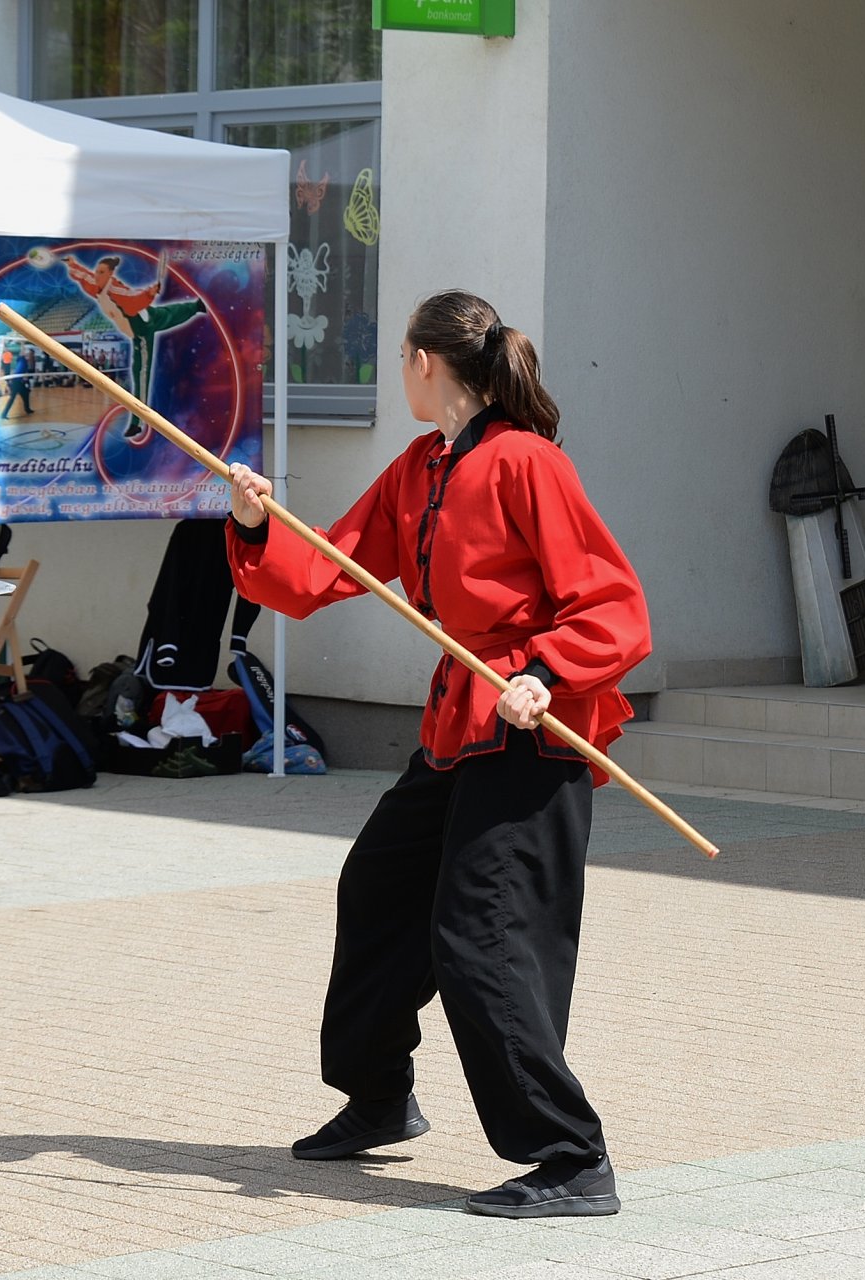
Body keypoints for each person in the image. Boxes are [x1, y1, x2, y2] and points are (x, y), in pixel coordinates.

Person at [225, 290, 651, 1219]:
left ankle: (571, 1157)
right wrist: (257, 524)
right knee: (379, 889)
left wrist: (544, 673)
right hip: (459, 724)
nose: (399, 375)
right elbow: (325, 566)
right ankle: (379, 1096)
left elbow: (613, 606)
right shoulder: (421, 466)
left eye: (400, 361)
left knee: (485, 933)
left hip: (534, 730)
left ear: (424, 362)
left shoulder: (526, 462)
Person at [62, 253, 205, 440]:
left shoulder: (118, 291)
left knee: (141, 374)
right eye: (97, 271)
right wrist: (72, 264)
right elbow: (84, 275)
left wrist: (149, 293)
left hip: (142, 328)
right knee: (169, 313)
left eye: (101, 272)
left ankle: (137, 423)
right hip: (145, 317)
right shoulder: (95, 284)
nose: (96, 275)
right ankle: (197, 306)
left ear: (111, 274)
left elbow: (134, 298)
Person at [0, 345, 33, 419]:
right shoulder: (22, 359)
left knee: (26, 394)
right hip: (15, 382)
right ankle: (4, 414)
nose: (29, 356)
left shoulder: (25, 362)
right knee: (12, 398)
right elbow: (22, 352)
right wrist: (22, 344)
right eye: (28, 354)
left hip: (20, 382)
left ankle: (27, 409)